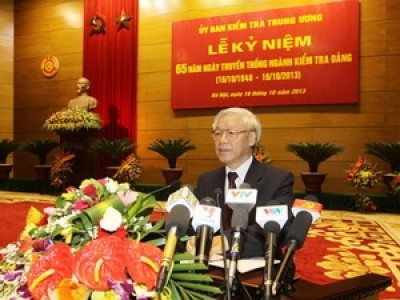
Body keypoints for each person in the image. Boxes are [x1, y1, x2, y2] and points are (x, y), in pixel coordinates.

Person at [195, 107, 295, 258]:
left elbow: (278, 228)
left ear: (251, 138)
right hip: (211, 267)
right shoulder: (207, 180)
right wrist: (194, 239)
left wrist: (228, 241)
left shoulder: (277, 180)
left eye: (231, 133)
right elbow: (198, 223)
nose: (222, 140)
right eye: (217, 133)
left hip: (257, 267)